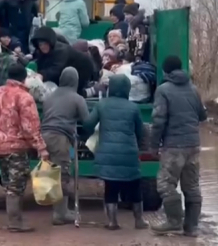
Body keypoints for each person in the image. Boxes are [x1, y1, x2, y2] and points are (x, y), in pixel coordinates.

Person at [0, 64, 49, 233]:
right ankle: (15, 222)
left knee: (8, 183)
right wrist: (41, 147)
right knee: (16, 185)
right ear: (24, 78)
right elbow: (30, 126)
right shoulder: (24, 97)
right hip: (17, 148)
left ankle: (15, 219)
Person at [150, 56, 207, 238]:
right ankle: (191, 227)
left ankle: (174, 221)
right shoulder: (193, 89)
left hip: (173, 145)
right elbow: (202, 116)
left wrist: (153, 145)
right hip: (193, 145)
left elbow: (158, 121)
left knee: (165, 183)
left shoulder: (163, 90)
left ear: (165, 71)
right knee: (191, 186)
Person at [82, 74, 148, 230]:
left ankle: (112, 222)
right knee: (135, 186)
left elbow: (88, 124)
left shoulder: (102, 105)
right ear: (127, 89)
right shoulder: (133, 107)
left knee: (111, 187)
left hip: (108, 153)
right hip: (129, 153)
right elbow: (141, 131)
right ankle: (139, 220)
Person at [41, 67, 89, 225]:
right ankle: (60, 214)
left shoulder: (49, 96)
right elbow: (87, 122)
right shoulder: (77, 98)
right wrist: (84, 138)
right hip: (60, 138)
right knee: (62, 174)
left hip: (44, 137)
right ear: (75, 80)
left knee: (50, 174)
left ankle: (59, 210)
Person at [30, 26, 94, 98]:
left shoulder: (61, 51)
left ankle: (91, 91)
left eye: (45, 43)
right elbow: (38, 62)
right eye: (40, 44)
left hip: (83, 68)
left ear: (50, 42)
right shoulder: (41, 52)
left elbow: (57, 69)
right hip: (67, 69)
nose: (42, 46)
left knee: (71, 93)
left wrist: (42, 75)